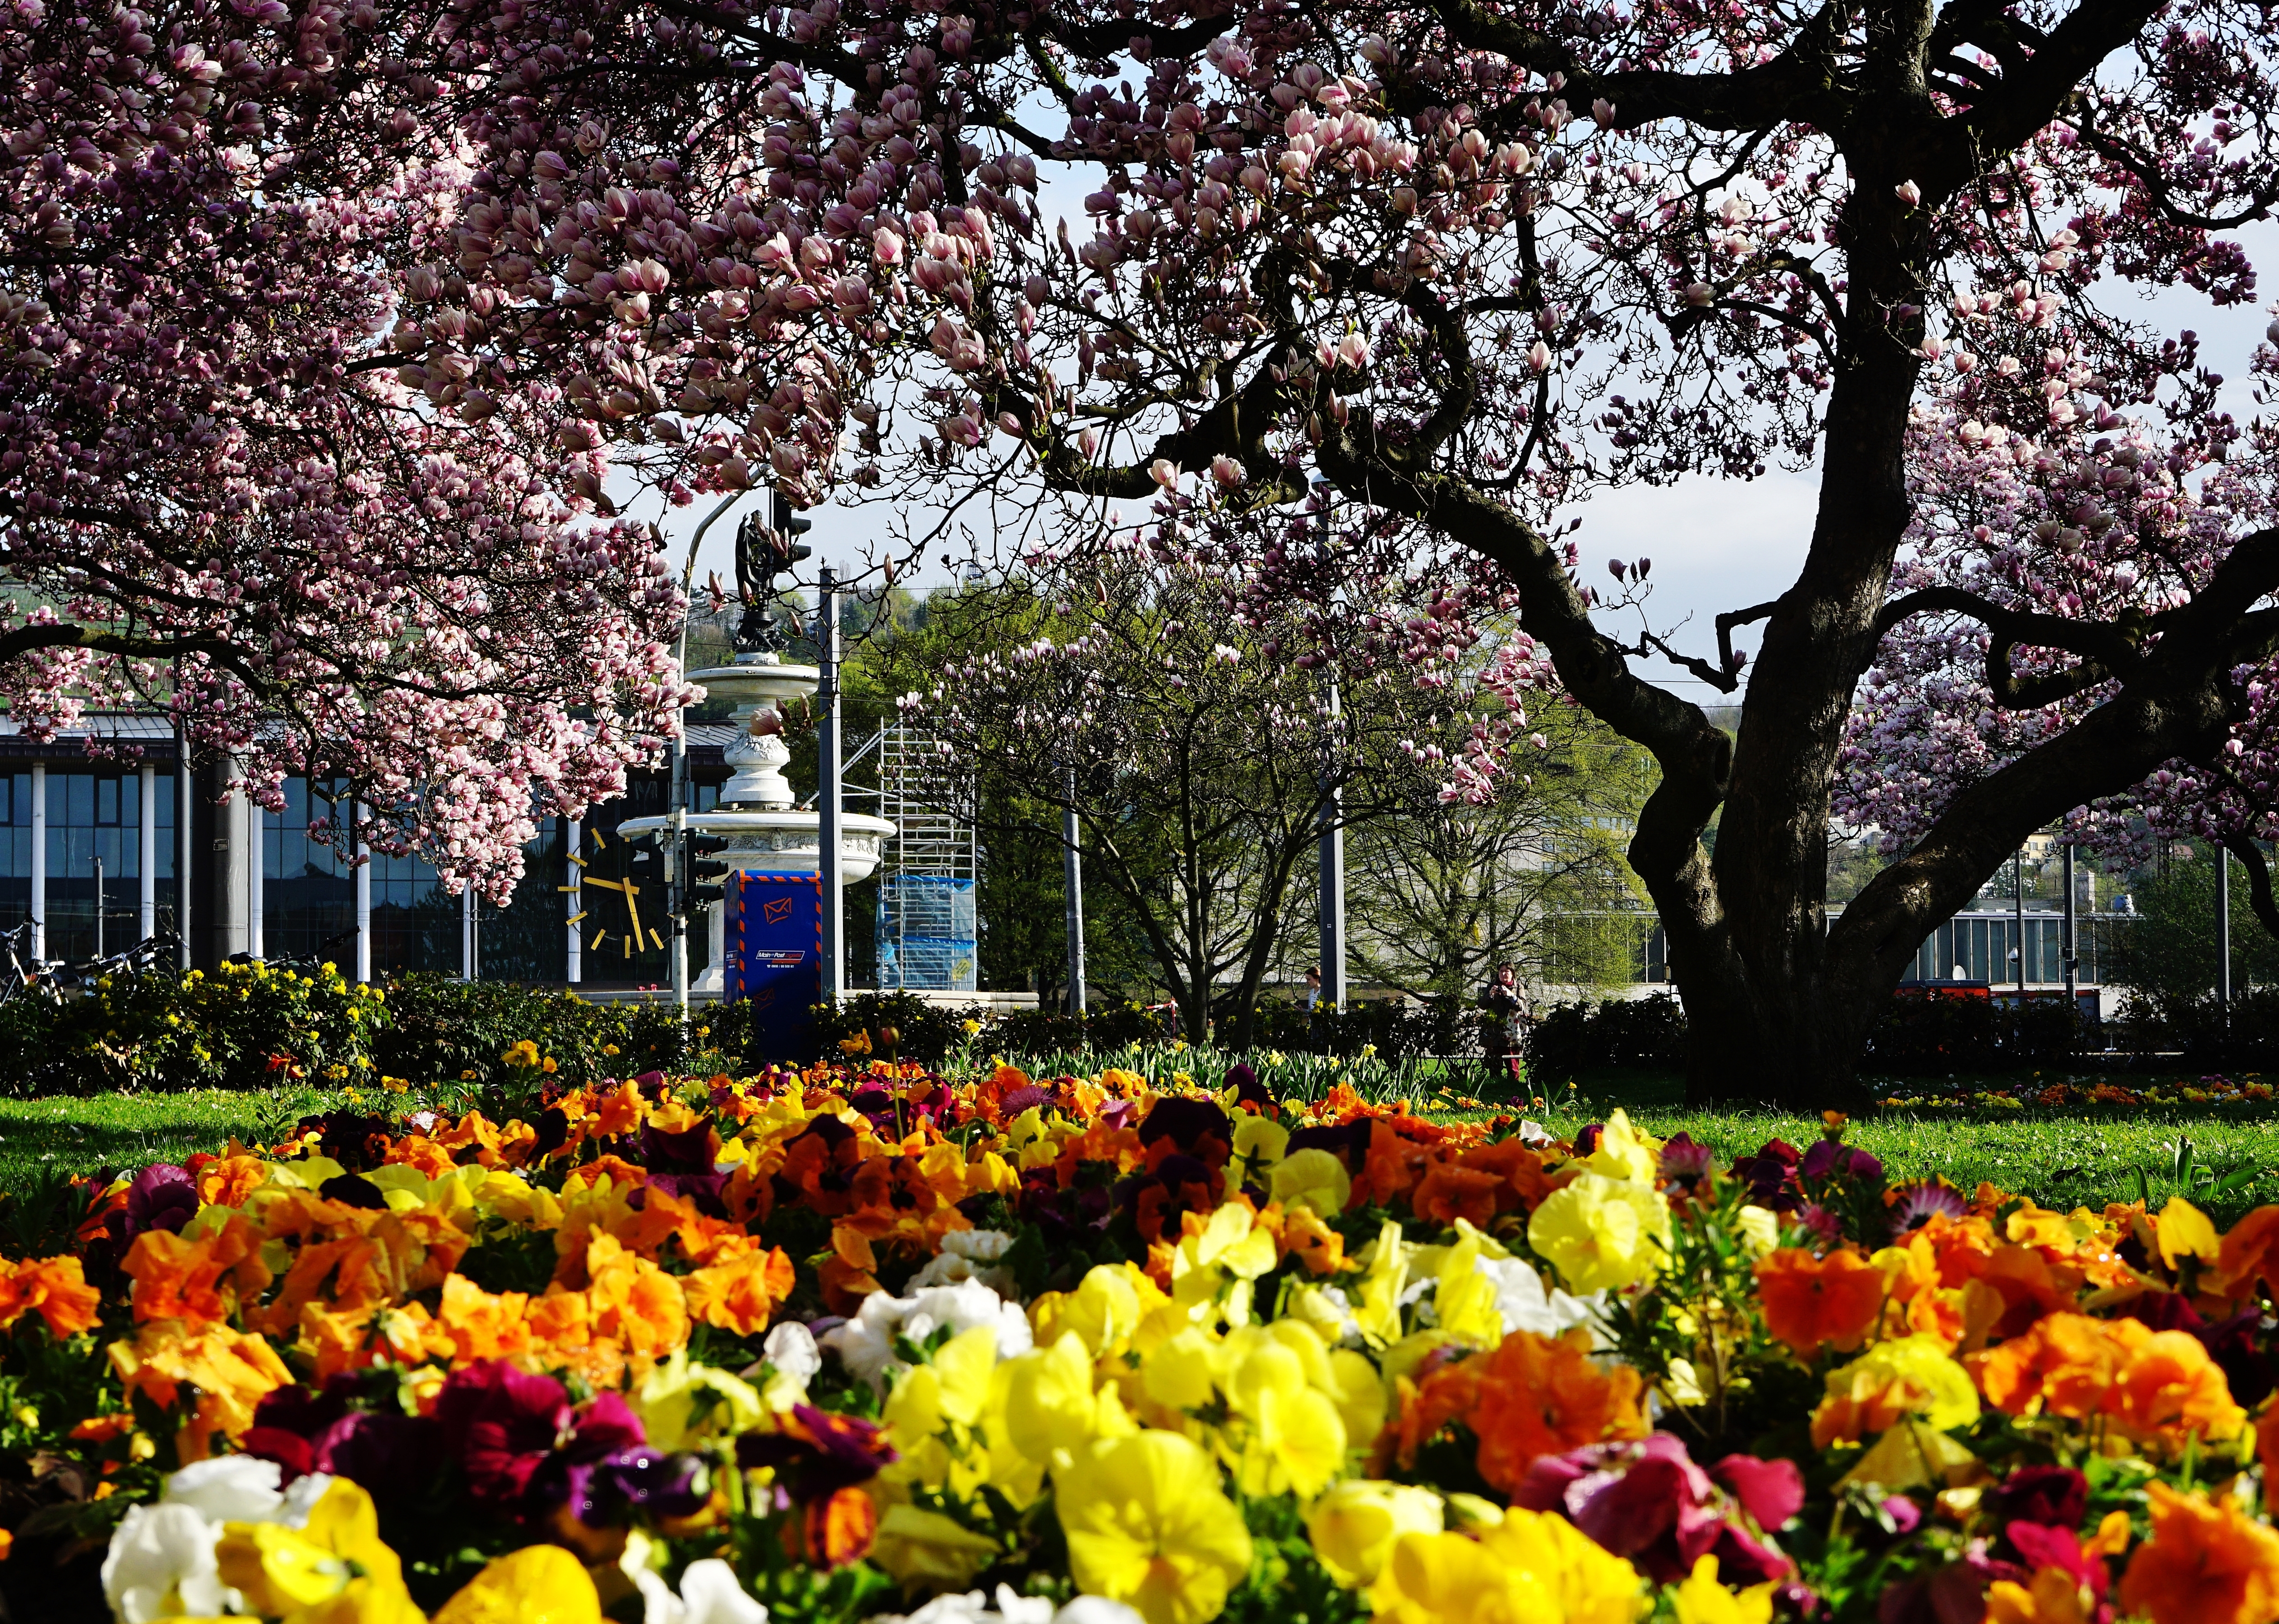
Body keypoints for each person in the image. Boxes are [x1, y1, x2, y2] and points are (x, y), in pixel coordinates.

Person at [1481, 963, 1528, 1084]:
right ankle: (1495, 1089)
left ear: (1512, 973)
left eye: (1507, 971)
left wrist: (1511, 995)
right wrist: (1490, 995)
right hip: (1494, 1032)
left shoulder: (1518, 987)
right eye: (1501, 971)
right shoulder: (1492, 986)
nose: (1503, 974)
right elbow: (1482, 1005)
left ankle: (1513, 1089)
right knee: (1494, 1064)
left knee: (1513, 1066)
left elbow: (1522, 1007)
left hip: (1512, 1032)